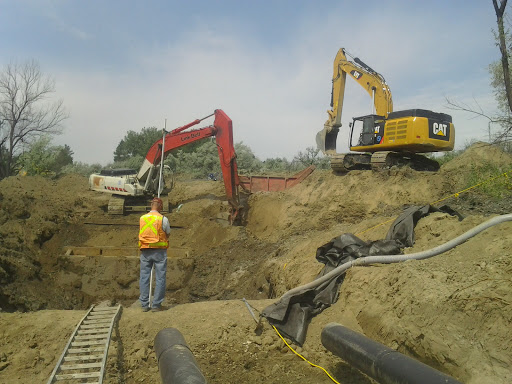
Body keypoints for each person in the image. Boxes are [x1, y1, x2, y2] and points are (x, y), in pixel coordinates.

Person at [138, 197, 170, 312]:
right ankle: (156, 305)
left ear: (151, 205)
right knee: (160, 277)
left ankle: (144, 305)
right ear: (160, 206)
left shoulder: (142, 218)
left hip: (145, 251)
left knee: (144, 277)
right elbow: (168, 233)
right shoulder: (163, 219)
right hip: (159, 252)